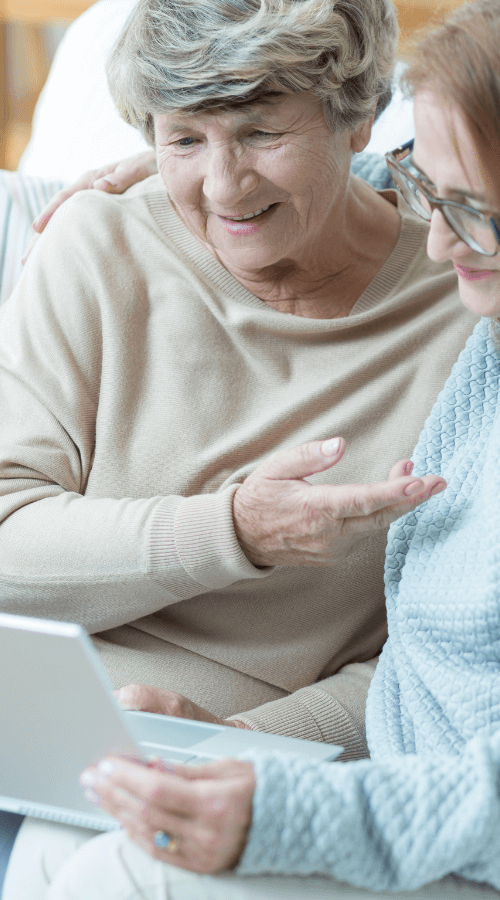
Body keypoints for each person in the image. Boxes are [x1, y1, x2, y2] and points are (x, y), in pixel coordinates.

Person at [9, 0, 500, 898]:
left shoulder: (467, 295)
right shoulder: (100, 237)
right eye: (183, 138)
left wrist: (255, 751)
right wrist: (230, 529)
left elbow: (432, 661)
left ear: (358, 115)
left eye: (262, 133)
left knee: (82, 857)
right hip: (35, 721)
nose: (224, 188)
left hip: (282, 751)